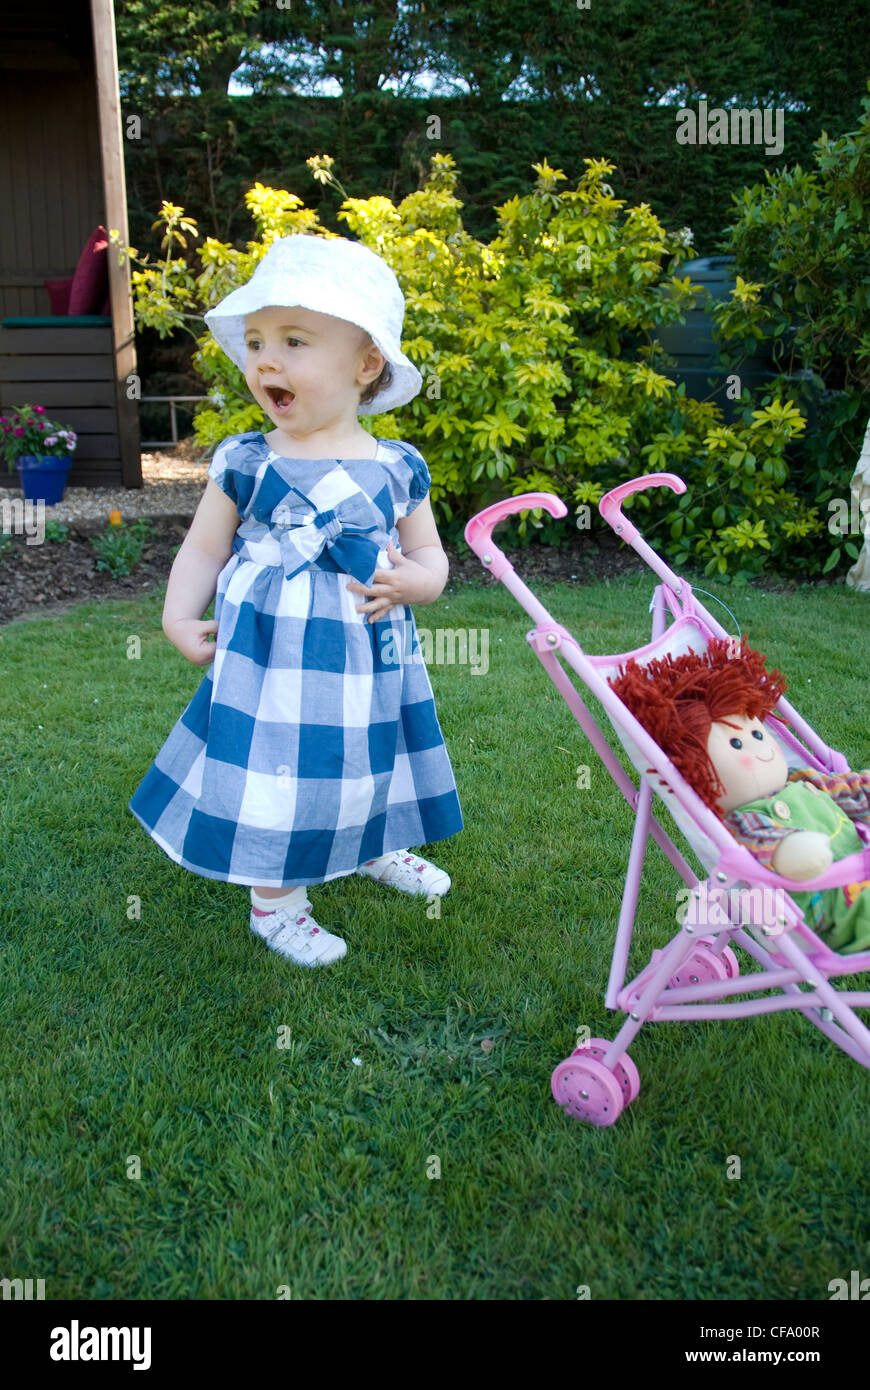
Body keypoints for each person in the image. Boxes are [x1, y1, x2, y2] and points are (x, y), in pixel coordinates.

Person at [129, 233, 463, 966]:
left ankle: (377, 843)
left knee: (371, 749)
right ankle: (276, 904)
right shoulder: (248, 461)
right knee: (276, 765)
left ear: (365, 364)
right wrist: (178, 614)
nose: (265, 360)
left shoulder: (396, 465)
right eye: (255, 342)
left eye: (294, 341)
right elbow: (205, 548)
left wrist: (420, 582)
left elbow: (433, 554)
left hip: (369, 653)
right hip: (272, 661)